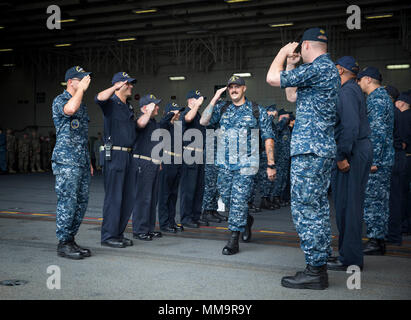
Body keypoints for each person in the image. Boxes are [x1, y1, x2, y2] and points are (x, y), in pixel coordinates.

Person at [266, 27, 340, 290]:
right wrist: (291, 62)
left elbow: (273, 79)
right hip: (318, 150)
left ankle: (315, 271)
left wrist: (282, 52)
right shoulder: (325, 71)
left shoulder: (319, 67)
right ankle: (318, 265)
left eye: (299, 50)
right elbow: (291, 95)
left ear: (306, 46)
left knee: (306, 209)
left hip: (309, 150)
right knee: (317, 208)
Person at [200, 75, 276, 255]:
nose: (233, 90)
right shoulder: (222, 108)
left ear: (244, 89)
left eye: (237, 86)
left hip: (247, 165)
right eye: (230, 87)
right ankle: (246, 220)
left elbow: (268, 137)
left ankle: (233, 240)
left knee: (239, 200)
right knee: (227, 199)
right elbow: (203, 121)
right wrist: (214, 99)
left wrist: (271, 164)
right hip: (224, 165)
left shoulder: (256, 110)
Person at [328, 56, 373, 271]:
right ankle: (348, 254)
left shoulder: (346, 91)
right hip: (358, 149)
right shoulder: (354, 90)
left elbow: (350, 127)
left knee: (348, 208)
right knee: (349, 206)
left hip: (352, 152)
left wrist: (341, 155)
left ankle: (350, 258)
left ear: (339, 70)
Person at [51, 66, 93, 260]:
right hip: (66, 161)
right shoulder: (60, 101)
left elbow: (82, 136)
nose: (86, 82)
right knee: (68, 201)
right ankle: (63, 242)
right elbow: (70, 109)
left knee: (81, 202)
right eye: (81, 79)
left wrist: (89, 161)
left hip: (81, 161)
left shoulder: (82, 104)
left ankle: (70, 239)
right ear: (70, 82)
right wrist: (82, 90)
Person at [95, 71, 137, 248]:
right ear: (120, 84)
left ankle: (118, 233)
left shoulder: (128, 106)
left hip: (128, 154)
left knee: (128, 197)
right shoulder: (111, 103)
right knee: (114, 197)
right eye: (129, 83)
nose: (132, 86)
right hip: (115, 155)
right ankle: (108, 236)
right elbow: (98, 98)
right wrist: (115, 87)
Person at [357, 66, 394, 255]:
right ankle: (378, 240)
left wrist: (373, 160)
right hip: (383, 159)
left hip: (377, 161)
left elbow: (377, 133)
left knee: (374, 201)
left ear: (369, 79)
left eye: (360, 79)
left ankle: (375, 241)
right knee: (379, 201)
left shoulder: (377, 99)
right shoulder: (383, 97)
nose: (359, 82)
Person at [131, 94, 162, 241]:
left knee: (152, 198)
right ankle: (139, 229)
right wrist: (147, 112)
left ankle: (149, 228)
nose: (157, 107)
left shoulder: (154, 122)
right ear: (145, 107)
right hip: (142, 163)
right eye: (154, 105)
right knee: (143, 198)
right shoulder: (141, 119)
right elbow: (140, 124)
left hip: (153, 163)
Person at [179, 90, 207, 228]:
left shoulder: (198, 114)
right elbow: (188, 119)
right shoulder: (186, 113)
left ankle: (196, 215)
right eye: (198, 99)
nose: (201, 102)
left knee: (198, 188)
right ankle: (186, 218)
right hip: (189, 154)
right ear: (191, 100)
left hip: (199, 154)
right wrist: (196, 106)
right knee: (188, 188)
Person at [388, 93, 411, 245]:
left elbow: (401, 142)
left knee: (399, 195)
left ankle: (401, 226)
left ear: (401, 103)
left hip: (402, 157)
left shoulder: (402, 117)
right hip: (406, 157)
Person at [158, 102, 185, 233]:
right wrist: (170, 116)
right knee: (164, 195)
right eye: (176, 112)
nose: (178, 114)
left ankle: (172, 221)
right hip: (167, 161)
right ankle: (164, 223)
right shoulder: (165, 126)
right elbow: (162, 124)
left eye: (179, 112)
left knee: (173, 195)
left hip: (177, 162)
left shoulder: (178, 127)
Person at [272, 109, 292, 208]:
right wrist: (283, 120)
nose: (288, 119)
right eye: (286, 117)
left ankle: (279, 196)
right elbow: (277, 129)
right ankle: (275, 196)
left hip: (285, 158)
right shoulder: (279, 126)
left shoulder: (286, 129)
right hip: (279, 158)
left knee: (283, 178)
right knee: (279, 178)